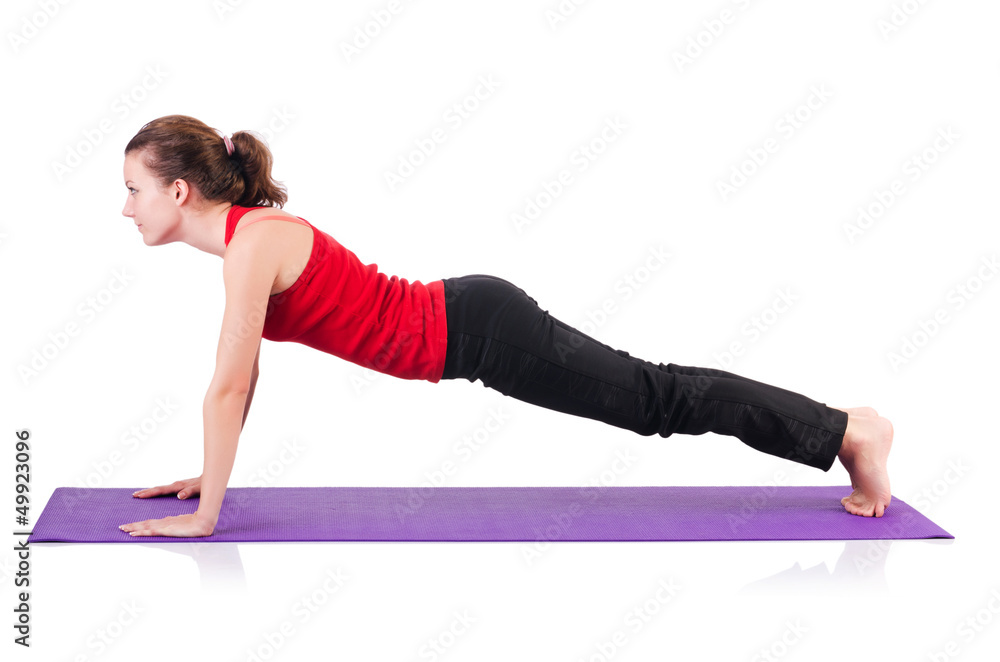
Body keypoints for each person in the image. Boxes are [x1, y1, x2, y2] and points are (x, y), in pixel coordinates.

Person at [118, 115, 893, 538]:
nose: (126, 208)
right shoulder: (250, 242)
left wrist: (209, 512)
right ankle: (842, 426)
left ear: (179, 190)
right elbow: (241, 379)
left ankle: (847, 432)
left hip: (482, 331)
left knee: (655, 400)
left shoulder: (251, 247)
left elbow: (228, 384)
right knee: (655, 395)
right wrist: (207, 478)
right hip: (472, 324)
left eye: (133, 190)